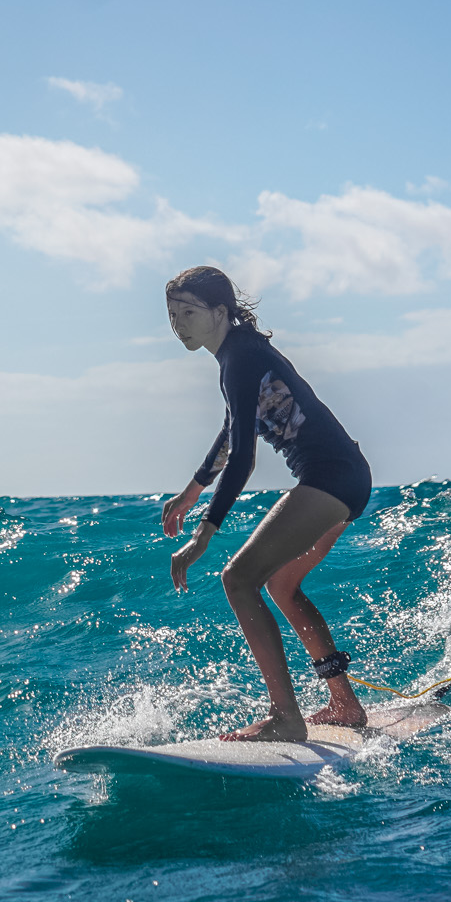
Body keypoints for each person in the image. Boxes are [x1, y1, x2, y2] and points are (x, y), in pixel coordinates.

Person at [160, 265, 373, 741]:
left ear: (220, 311)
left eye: (188, 312)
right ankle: (345, 705)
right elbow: (235, 431)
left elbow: (243, 458)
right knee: (281, 584)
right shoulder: (239, 355)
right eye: (173, 315)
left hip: (330, 476)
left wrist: (204, 533)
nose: (179, 324)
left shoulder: (240, 356)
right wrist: (193, 490)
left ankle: (285, 719)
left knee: (238, 579)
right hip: (345, 475)